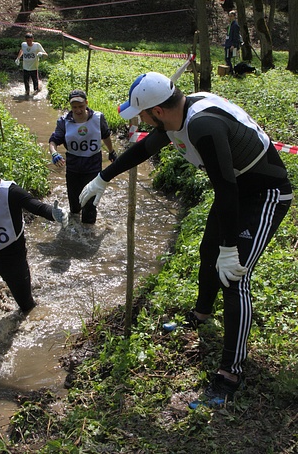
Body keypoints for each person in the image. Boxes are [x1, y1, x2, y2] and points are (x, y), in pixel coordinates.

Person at [79, 71, 292, 407]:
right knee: (209, 252)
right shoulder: (177, 117)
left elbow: (226, 189)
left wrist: (230, 247)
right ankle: (202, 315)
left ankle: (230, 374)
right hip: (235, 190)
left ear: (158, 111)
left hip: (263, 195)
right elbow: (145, 149)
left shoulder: (202, 126)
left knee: (234, 276)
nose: (144, 122)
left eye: (144, 115)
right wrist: (103, 178)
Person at [0, 148, 68, 322]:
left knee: (27, 308)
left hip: (13, 256)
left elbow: (36, 206)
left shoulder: (9, 191)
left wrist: (55, 214)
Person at [48, 89, 117, 225]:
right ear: (71, 107)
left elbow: (106, 135)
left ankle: (88, 235)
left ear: (86, 103)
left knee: (90, 206)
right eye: (74, 107)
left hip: (93, 166)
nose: (78, 110)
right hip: (73, 168)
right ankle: (74, 228)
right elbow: (53, 141)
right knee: (75, 207)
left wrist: (111, 151)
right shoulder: (64, 121)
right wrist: (54, 153)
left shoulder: (98, 118)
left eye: (81, 106)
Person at [15, 32, 48, 97]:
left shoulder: (37, 45)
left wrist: (41, 54)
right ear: (25, 40)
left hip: (34, 68)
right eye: (27, 41)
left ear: (33, 39)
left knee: (35, 85)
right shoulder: (23, 44)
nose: (28, 42)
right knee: (26, 82)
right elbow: (21, 50)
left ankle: (37, 91)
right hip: (25, 67)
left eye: (30, 41)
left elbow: (46, 55)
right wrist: (18, 58)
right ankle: (27, 93)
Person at [224, 10, 240, 74]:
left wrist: (233, 45)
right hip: (228, 43)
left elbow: (236, 36)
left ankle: (232, 72)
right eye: (229, 16)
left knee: (229, 58)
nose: (230, 17)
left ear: (234, 17)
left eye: (231, 16)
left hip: (232, 45)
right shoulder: (230, 25)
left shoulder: (235, 25)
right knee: (227, 58)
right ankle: (229, 71)